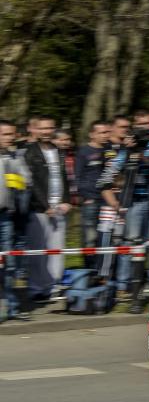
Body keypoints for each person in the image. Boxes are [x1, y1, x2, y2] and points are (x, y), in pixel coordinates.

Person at [98, 109, 149, 305]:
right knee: (131, 242)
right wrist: (105, 179)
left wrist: (143, 157)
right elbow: (116, 164)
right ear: (135, 125)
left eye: (148, 124)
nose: (145, 128)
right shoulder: (130, 141)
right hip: (135, 200)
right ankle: (126, 287)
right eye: (141, 125)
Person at [24, 115, 71, 303]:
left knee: (57, 249)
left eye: (49, 128)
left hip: (59, 207)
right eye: (42, 128)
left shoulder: (58, 151)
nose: (46, 132)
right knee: (38, 250)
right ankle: (37, 288)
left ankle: (54, 285)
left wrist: (66, 200)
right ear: (35, 130)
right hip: (39, 209)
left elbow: (64, 178)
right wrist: (45, 206)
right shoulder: (29, 153)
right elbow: (32, 183)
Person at [0, 120, 27, 320]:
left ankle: (11, 307)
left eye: (12, 134)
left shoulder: (15, 157)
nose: (10, 138)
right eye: (5, 134)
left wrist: (18, 178)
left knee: (8, 264)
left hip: (5, 216)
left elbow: (26, 180)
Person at [75, 121, 110, 269]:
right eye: (102, 132)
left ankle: (102, 270)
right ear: (92, 134)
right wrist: (84, 196)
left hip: (107, 200)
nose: (105, 135)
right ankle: (89, 269)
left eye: (107, 132)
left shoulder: (109, 150)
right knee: (90, 237)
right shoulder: (83, 152)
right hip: (91, 200)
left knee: (105, 237)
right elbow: (77, 176)